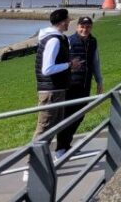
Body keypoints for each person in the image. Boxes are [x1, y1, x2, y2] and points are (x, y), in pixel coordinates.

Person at [34, 8, 81, 153]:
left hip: (56, 89)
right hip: (51, 92)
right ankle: (32, 162)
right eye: (68, 19)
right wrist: (69, 65)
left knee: (52, 127)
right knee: (44, 129)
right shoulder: (54, 40)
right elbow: (47, 69)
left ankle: (41, 159)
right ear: (62, 22)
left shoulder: (58, 38)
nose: (69, 21)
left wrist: (69, 67)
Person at [56, 16, 103, 157]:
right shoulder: (69, 41)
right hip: (70, 86)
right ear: (77, 27)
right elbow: (60, 62)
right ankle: (60, 149)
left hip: (85, 84)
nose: (85, 29)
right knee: (67, 116)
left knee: (80, 116)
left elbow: (95, 62)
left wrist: (99, 81)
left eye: (88, 27)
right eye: (82, 26)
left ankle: (67, 145)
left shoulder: (93, 41)